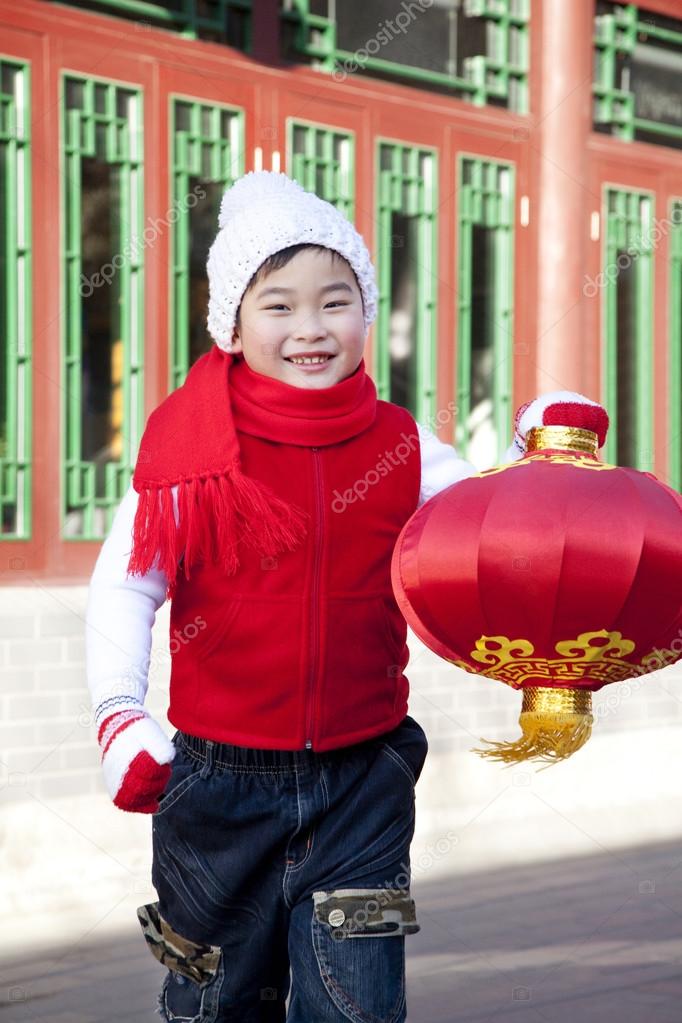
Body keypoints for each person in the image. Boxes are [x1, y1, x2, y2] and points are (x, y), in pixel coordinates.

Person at [85, 169, 486, 1022]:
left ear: (365, 313)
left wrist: (552, 456)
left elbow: (489, 531)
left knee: (360, 1004)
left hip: (364, 784)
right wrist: (119, 710)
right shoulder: (189, 452)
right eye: (279, 305)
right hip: (217, 791)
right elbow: (126, 581)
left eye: (335, 301)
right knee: (213, 1000)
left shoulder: (405, 446)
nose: (311, 327)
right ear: (232, 322)